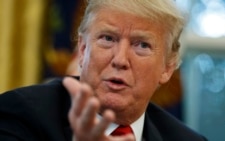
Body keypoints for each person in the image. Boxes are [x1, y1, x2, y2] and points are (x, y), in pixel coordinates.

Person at [0, 0, 207, 141]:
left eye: (142, 45)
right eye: (108, 39)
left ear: (167, 68)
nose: (120, 60)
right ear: (82, 50)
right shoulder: (19, 115)